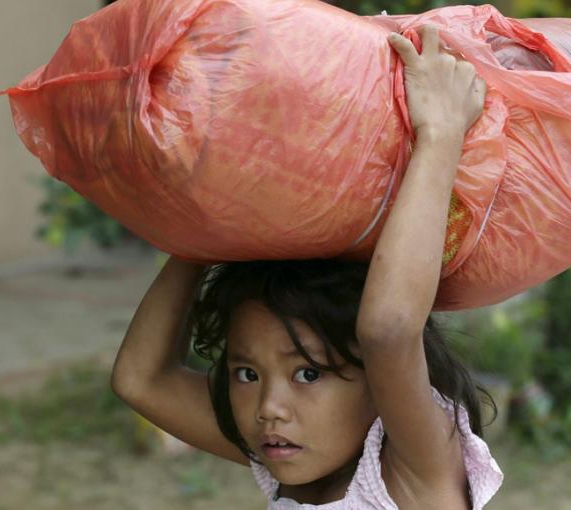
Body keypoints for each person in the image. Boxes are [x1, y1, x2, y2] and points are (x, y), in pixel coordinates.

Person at [110, 24, 502, 509]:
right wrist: (204, 230)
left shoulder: (414, 474)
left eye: (308, 374)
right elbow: (140, 380)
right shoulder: (288, 468)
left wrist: (440, 134)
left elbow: (388, 330)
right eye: (247, 374)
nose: (268, 411)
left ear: (380, 384)